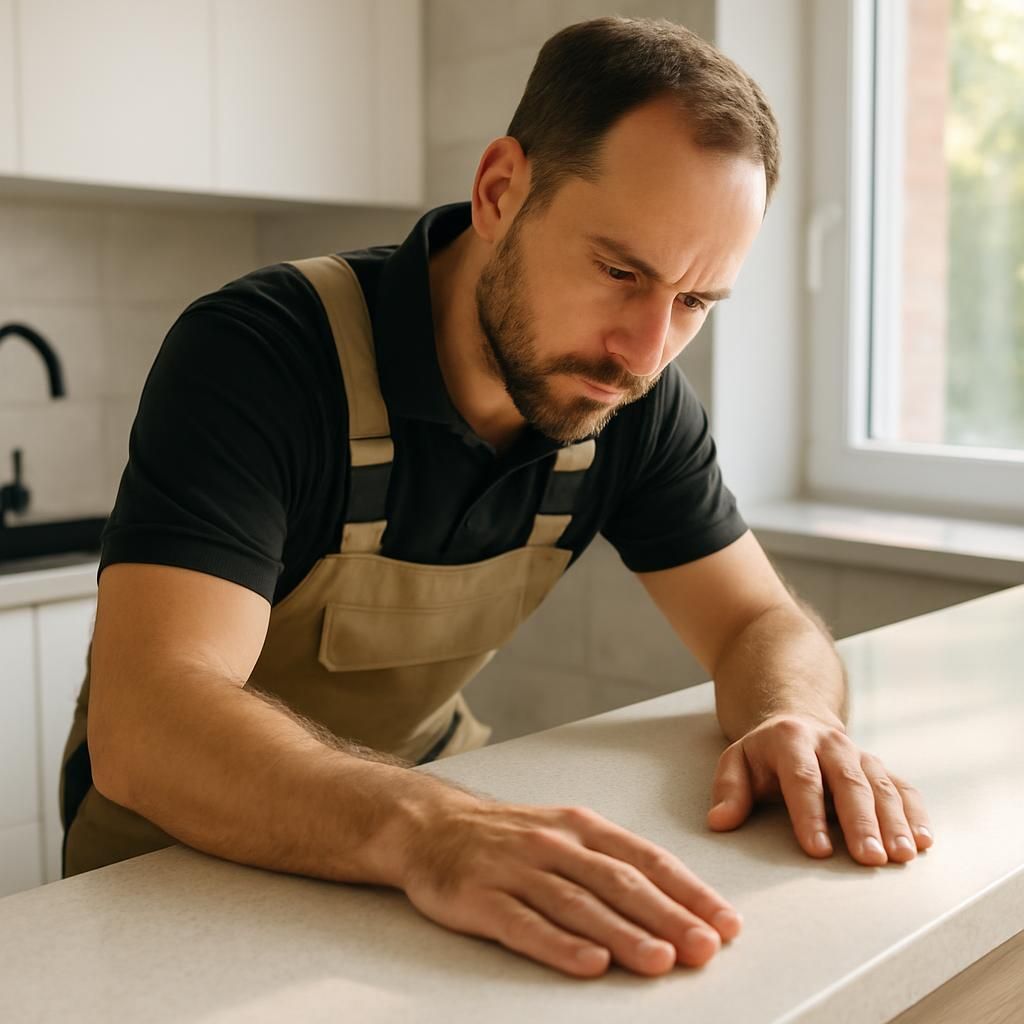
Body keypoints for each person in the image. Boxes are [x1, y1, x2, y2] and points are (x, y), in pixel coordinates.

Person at [59, 16, 933, 979]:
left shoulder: (628, 399)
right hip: (172, 873)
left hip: (418, 843)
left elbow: (760, 621)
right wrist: (428, 828)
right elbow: (148, 723)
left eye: (693, 302)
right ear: (500, 191)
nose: (645, 352)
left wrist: (791, 717)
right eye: (619, 271)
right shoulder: (261, 354)